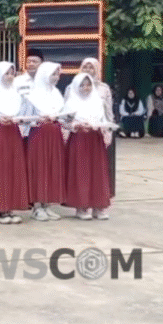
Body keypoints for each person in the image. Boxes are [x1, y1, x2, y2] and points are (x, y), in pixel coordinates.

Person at [0, 62, 30, 224]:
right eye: (7, 73)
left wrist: (15, 119)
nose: (10, 77)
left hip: (14, 133)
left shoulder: (16, 94)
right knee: (0, 169)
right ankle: (0, 210)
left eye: (12, 73)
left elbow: (23, 115)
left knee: (13, 169)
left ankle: (10, 207)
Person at [63, 74, 111, 220]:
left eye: (88, 84)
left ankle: (99, 205)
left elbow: (104, 120)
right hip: (79, 139)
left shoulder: (97, 101)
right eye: (82, 85)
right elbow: (65, 122)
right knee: (81, 171)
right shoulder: (71, 103)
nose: (86, 88)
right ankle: (81, 207)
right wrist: (76, 125)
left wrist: (101, 128)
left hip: (95, 139)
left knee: (97, 171)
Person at [23, 62, 66, 222]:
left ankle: (47, 204)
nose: (56, 78)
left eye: (57, 74)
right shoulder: (32, 95)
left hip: (55, 135)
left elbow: (63, 114)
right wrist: (39, 119)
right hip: (39, 135)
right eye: (53, 74)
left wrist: (59, 118)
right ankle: (37, 206)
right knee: (39, 168)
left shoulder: (57, 94)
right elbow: (25, 119)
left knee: (52, 168)